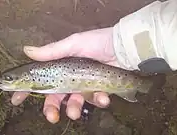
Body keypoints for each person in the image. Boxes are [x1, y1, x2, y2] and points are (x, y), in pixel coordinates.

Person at [10, 0, 177, 124]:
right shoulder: (32, 80)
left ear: (25, 77)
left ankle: (145, 85)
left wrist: (121, 46)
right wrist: (120, 45)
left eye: (10, 79)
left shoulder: (35, 81)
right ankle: (143, 85)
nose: (5, 82)